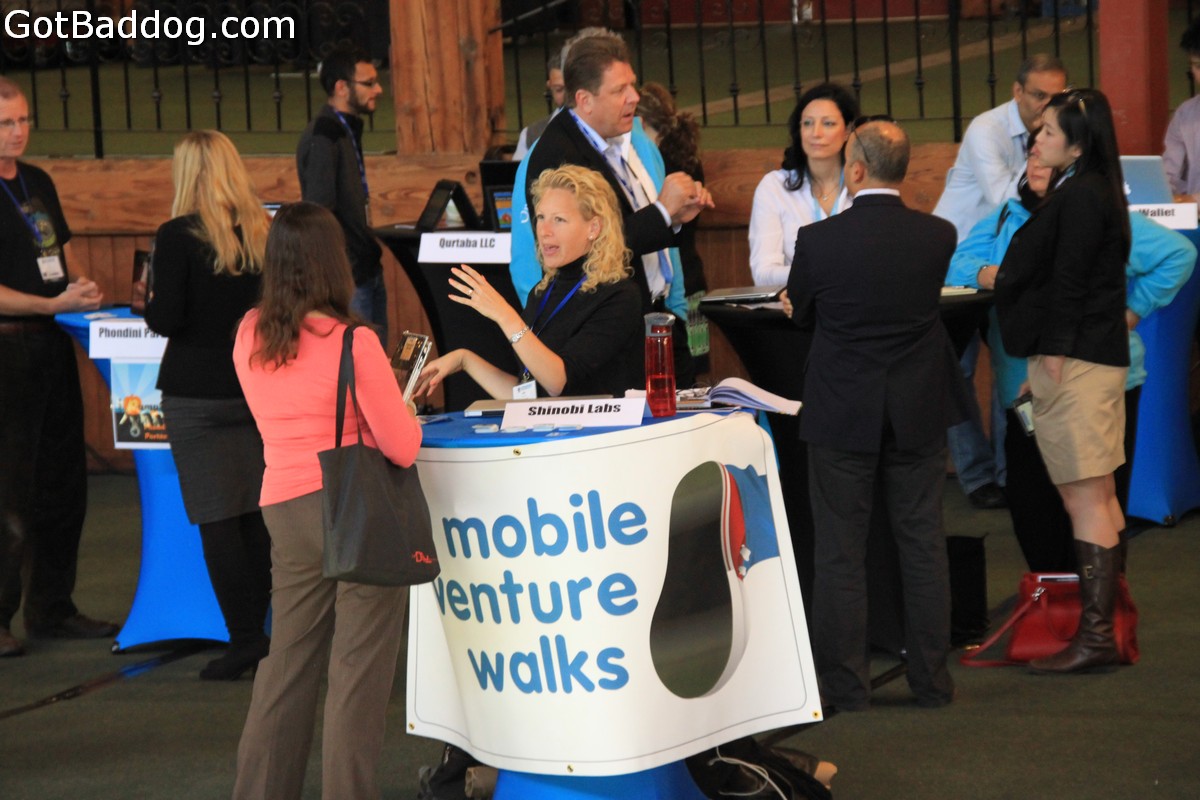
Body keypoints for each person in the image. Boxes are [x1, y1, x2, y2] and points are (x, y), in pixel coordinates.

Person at [231, 202, 422, 798]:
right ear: (334, 262)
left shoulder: (250, 331)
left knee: (286, 666)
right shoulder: (354, 342)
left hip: (284, 507)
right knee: (356, 676)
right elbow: (402, 446)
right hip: (353, 508)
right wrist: (407, 408)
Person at [950, 143, 1195, 574]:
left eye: (1048, 155)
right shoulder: (1008, 216)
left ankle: (1096, 606)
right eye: (1032, 155)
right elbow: (958, 265)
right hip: (1024, 391)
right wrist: (992, 274)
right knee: (1032, 504)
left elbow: (1178, 254)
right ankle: (1058, 603)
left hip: (1093, 381)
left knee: (1093, 502)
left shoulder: (1102, 219)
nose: (1037, 164)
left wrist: (1131, 312)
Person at [785, 118, 958, 711]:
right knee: (923, 543)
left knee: (840, 551)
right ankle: (933, 683)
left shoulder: (818, 240)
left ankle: (846, 688)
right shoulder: (938, 235)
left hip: (842, 409)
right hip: (917, 406)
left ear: (855, 170)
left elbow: (802, 313)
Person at [994, 89, 1132, 674]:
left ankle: (1097, 635)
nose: (1037, 138)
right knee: (1097, 494)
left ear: (1078, 144)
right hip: (1084, 359)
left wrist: (1051, 355)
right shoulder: (1086, 188)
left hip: (1076, 362)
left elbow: (1069, 280)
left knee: (1086, 497)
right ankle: (1108, 627)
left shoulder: (1080, 195)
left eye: (1050, 130)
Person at [142, 130, 273, 680]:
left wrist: (148, 300)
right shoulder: (263, 231)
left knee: (217, 520)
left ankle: (245, 640)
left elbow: (167, 318)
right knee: (257, 516)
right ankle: (270, 636)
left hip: (195, 393)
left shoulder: (176, 236)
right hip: (255, 386)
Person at [521, 32, 713, 388]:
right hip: (610, 333)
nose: (634, 97)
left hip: (658, 314)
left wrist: (674, 217)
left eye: (632, 85)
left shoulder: (615, 140)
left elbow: (628, 226)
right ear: (584, 100)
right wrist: (662, 212)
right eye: (619, 90)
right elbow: (588, 245)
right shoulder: (559, 153)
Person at [0, 76, 116, 658]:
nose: (18, 132)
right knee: (8, 489)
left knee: (61, 481)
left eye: (23, 120)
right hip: (8, 349)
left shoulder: (37, 181)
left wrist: (80, 289)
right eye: (5, 123)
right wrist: (50, 305)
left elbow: (60, 258)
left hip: (52, 343)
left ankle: (52, 607)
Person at [934, 54, 1069, 511]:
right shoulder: (986, 129)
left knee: (1012, 368)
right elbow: (1006, 198)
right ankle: (976, 477)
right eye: (1038, 95)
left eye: (1056, 96)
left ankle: (1008, 472)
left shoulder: (1056, 131)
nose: (1047, 104)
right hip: (959, 265)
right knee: (958, 373)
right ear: (1016, 92)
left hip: (1007, 268)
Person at [415, 165, 642, 401]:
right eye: (541, 217)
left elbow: (558, 383)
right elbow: (526, 397)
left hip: (597, 425)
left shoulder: (620, 297)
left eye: (559, 219)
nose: (544, 230)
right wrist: (464, 359)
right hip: (548, 422)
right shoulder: (543, 291)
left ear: (593, 228)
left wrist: (505, 315)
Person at [297, 44, 388, 342]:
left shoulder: (344, 129)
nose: (379, 90)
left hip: (364, 270)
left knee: (374, 358)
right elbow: (319, 213)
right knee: (357, 361)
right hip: (348, 279)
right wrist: (342, 274)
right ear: (341, 87)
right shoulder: (324, 136)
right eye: (369, 83)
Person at [748, 82, 858, 287]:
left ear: (848, 130)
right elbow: (762, 273)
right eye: (807, 123)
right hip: (794, 304)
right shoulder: (774, 187)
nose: (816, 133)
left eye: (828, 124)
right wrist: (828, 272)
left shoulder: (863, 184)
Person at [636, 81, 710, 371]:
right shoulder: (688, 157)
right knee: (697, 369)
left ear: (642, 123)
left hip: (674, 288)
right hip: (693, 279)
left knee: (680, 370)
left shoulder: (655, 167)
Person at [1164, 17, 1200, 202]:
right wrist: (1163, 193)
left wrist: (1194, 200)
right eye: (1197, 66)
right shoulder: (1185, 114)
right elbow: (1169, 173)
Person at [513, 55, 566, 161]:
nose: (567, 96)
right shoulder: (531, 135)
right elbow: (517, 170)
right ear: (550, 86)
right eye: (559, 89)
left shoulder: (600, 129)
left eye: (573, 88)